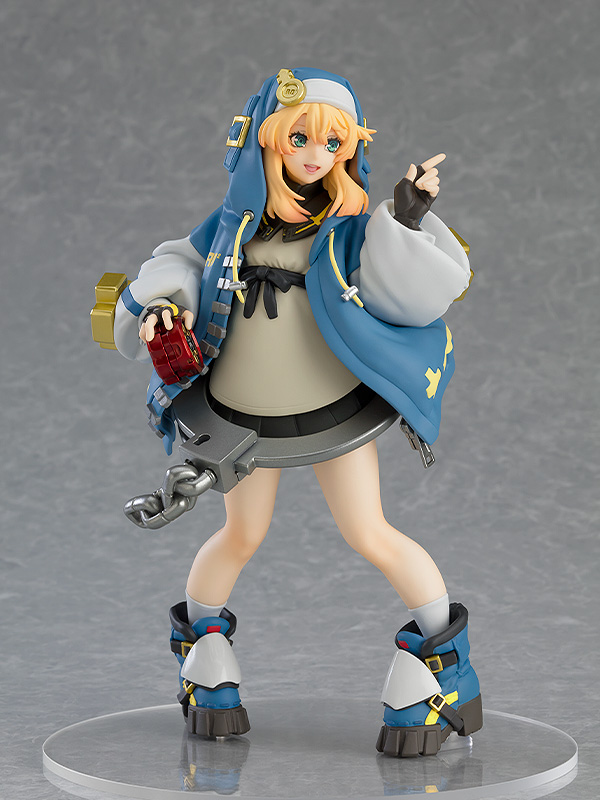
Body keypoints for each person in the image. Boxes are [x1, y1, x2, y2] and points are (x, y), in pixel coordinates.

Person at [112, 68, 482, 757]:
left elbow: (405, 291)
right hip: (241, 416)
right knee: (239, 536)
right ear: (266, 139)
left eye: (333, 143)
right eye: (300, 139)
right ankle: (205, 659)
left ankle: (442, 664)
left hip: (332, 411)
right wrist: (165, 303)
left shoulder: (348, 229)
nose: (316, 155)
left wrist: (404, 219)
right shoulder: (233, 225)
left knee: (370, 532)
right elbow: (179, 263)